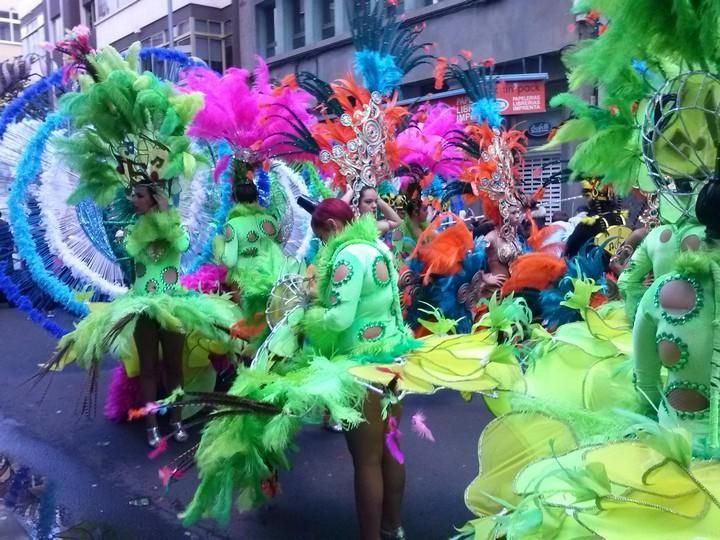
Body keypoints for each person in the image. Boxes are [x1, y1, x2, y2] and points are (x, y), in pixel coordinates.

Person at [306, 199, 410, 540]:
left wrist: (308, 314)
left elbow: (339, 318)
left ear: (333, 228)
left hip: (360, 368)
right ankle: (392, 527)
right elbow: (395, 308)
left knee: (366, 460)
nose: (323, 245)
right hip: (393, 362)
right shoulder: (377, 248)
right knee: (391, 448)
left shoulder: (347, 255)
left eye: (321, 237)